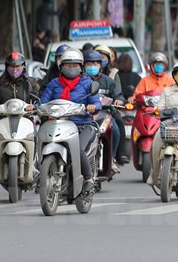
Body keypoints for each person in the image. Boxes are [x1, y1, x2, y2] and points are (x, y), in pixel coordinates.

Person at [40, 48, 102, 193]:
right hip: (58, 124)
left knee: (78, 149)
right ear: (61, 67)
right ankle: (42, 174)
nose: (72, 68)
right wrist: (35, 108)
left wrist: (93, 106)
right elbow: (44, 102)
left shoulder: (88, 83)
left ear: (81, 67)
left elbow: (96, 102)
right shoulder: (54, 83)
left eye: (75, 65)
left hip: (82, 125)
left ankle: (88, 179)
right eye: (68, 65)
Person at [83, 49, 126, 166]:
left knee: (115, 131)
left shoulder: (108, 81)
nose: (92, 66)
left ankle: (111, 158)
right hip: (85, 115)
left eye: (95, 63)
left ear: (101, 66)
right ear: (84, 65)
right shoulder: (80, 81)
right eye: (89, 64)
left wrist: (119, 100)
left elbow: (119, 96)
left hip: (105, 113)